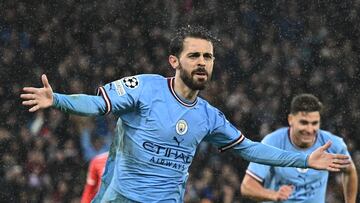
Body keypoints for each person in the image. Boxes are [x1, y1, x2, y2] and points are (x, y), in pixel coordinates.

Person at [21, 25, 350, 203]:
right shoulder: (144, 89)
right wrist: (58, 99)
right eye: (194, 55)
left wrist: (305, 160)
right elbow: (96, 105)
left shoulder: (208, 116)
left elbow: (248, 148)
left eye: (208, 56)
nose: (203, 62)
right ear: (174, 61)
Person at [241, 94, 358, 203]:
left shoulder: (331, 144)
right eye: (304, 122)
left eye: (314, 123)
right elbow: (247, 186)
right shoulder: (272, 142)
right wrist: (274, 195)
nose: (309, 129)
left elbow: (350, 171)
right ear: (290, 119)